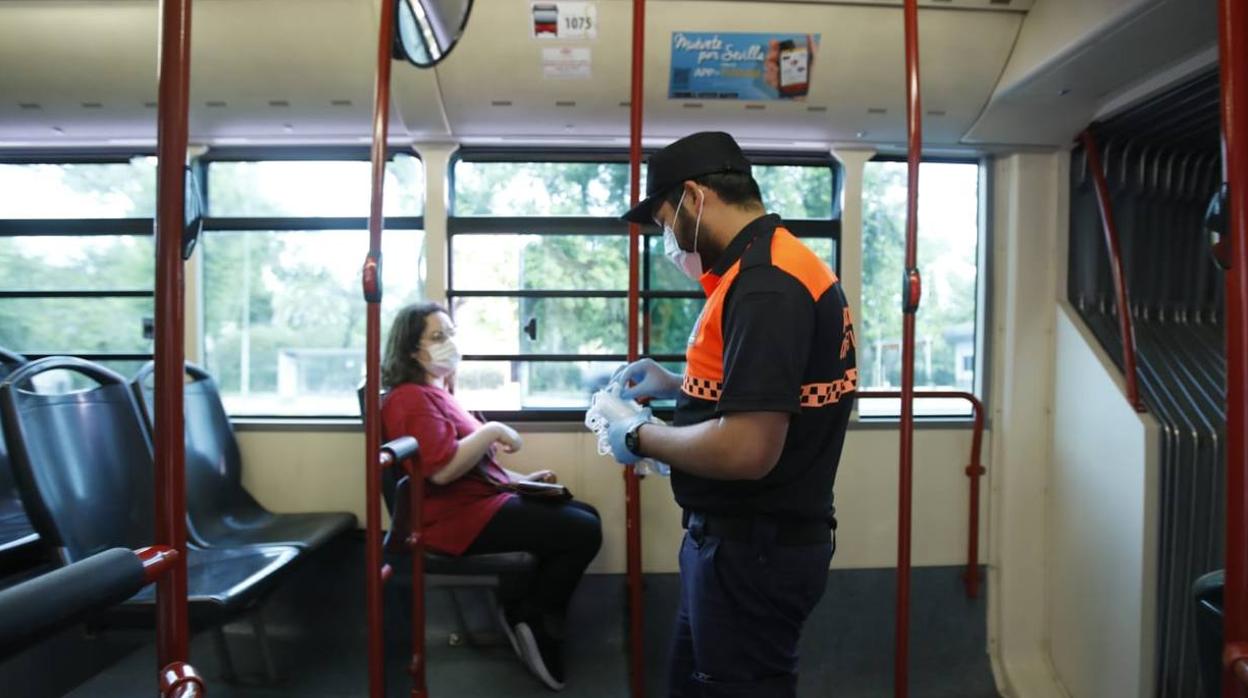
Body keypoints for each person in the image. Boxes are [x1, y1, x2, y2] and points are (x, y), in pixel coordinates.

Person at [605, 131, 857, 697]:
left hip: (753, 550)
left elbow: (746, 448)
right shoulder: (768, 266)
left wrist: (641, 435)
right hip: (736, 545)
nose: (667, 238)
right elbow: (769, 390)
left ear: (694, 197)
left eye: (666, 219)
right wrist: (678, 386)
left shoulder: (766, 284)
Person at [381, 301, 603, 692]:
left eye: (450, 333)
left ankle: (522, 605)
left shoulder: (437, 392)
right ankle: (533, 615)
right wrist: (493, 429)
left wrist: (520, 482)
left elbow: (477, 468)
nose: (449, 343)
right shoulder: (409, 399)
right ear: (411, 351)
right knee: (582, 531)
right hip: (449, 518)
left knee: (584, 514)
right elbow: (443, 470)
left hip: (477, 503)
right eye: (437, 337)